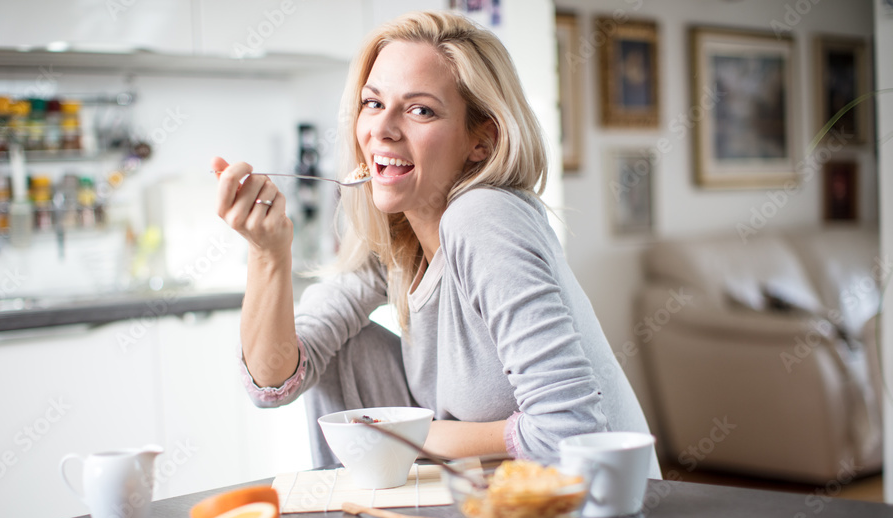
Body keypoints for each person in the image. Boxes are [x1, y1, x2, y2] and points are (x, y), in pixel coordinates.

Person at [213, 10, 662, 478]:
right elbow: (274, 382)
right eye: (372, 103)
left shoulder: (484, 217)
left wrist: (413, 434)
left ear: (481, 141)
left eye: (420, 109)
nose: (382, 129)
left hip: (594, 515)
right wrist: (267, 253)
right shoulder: (395, 242)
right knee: (347, 347)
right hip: (493, 513)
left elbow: (569, 432)